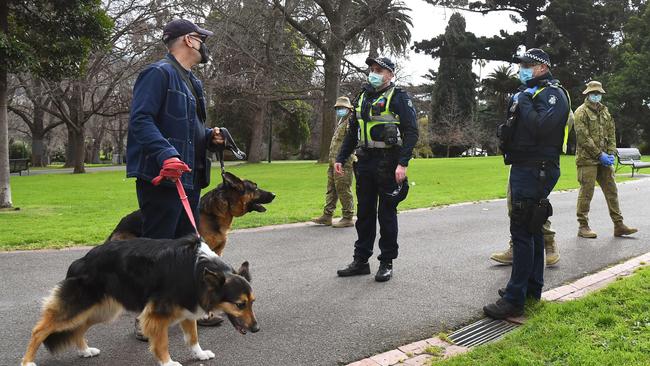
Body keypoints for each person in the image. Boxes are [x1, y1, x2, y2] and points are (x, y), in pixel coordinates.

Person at [126, 19, 224, 338]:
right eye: (202, 38)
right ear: (189, 41)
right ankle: (148, 320)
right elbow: (141, 120)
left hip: (190, 180)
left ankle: (186, 312)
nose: (205, 44)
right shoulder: (158, 73)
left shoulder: (192, 81)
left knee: (186, 249)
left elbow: (189, 130)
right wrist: (165, 153)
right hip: (162, 179)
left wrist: (210, 136)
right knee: (158, 250)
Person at [485, 48, 569, 319]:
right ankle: (530, 288)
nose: (521, 68)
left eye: (527, 65)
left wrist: (524, 104)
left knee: (521, 229)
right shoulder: (530, 94)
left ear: (542, 67)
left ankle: (514, 299)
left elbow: (543, 127)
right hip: (526, 165)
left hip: (537, 168)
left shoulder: (552, 94)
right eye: (520, 64)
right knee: (532, 229)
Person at [335, 56, 418, 282]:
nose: (374, 73)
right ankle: (361, 260)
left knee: (387, 214)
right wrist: (341, 157)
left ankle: (386, 262)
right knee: (364, 214)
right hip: (365, 161)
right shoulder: (362, 96)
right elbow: (353, 131)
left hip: (389, 162)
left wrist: (403, 163)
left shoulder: (398, 97)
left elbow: (412, 132)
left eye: (379, 70)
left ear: (390, 74)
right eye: (372, 69)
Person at [574, 81, 637, 238]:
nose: (596, 96)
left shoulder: (605, 111)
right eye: (593, 93)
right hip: (587, 160)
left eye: (598, 93)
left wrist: (611, 152)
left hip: (604, 160)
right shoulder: (580, 112)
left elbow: (611, 132)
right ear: (587, 94)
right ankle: (583, 226)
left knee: (612, 191)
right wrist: (598, 154)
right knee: (586, 193)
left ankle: (619, 225)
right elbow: (583, 137)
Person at [312, 96, 357, 228]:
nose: (339, 110)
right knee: (331, 189)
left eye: (342, 108)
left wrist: (342, 159)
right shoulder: (341, 121)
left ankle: (348, 217)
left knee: (343, 188)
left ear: (349, 108)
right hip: (334, 162)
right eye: (338, 108)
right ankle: (327, 215)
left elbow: (351, 142)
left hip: (344, 162)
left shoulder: (351, 122)